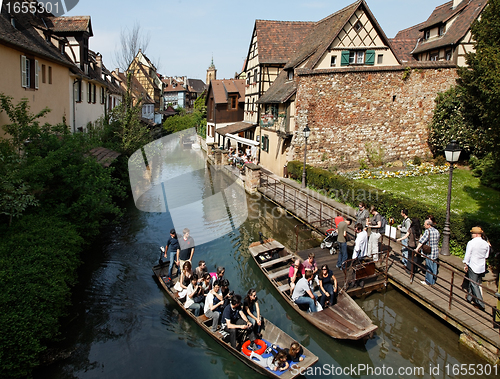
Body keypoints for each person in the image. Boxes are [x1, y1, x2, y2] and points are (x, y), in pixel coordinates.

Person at [463, 227, 490, 310]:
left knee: (474, 284)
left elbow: (468, 255)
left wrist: (465, 264)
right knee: (475, 282)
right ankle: (469, 297)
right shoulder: (485, 243)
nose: (471, 235)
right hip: (481, 266)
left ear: (476, 234)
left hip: (473, 265)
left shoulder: (471, 243)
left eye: (472, 233)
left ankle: (481, 303)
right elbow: (486, 255)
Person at [415, 219, 440, 286]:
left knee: (429, 267)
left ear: (429, 225)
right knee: (434, 267)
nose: (424, 225)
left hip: (429, 252)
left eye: (425, 224)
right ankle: (433, 281)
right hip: (435, 251)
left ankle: (428, 281)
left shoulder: (427, 231)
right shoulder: (437, 231)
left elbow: (421, 241)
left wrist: (417, 248)